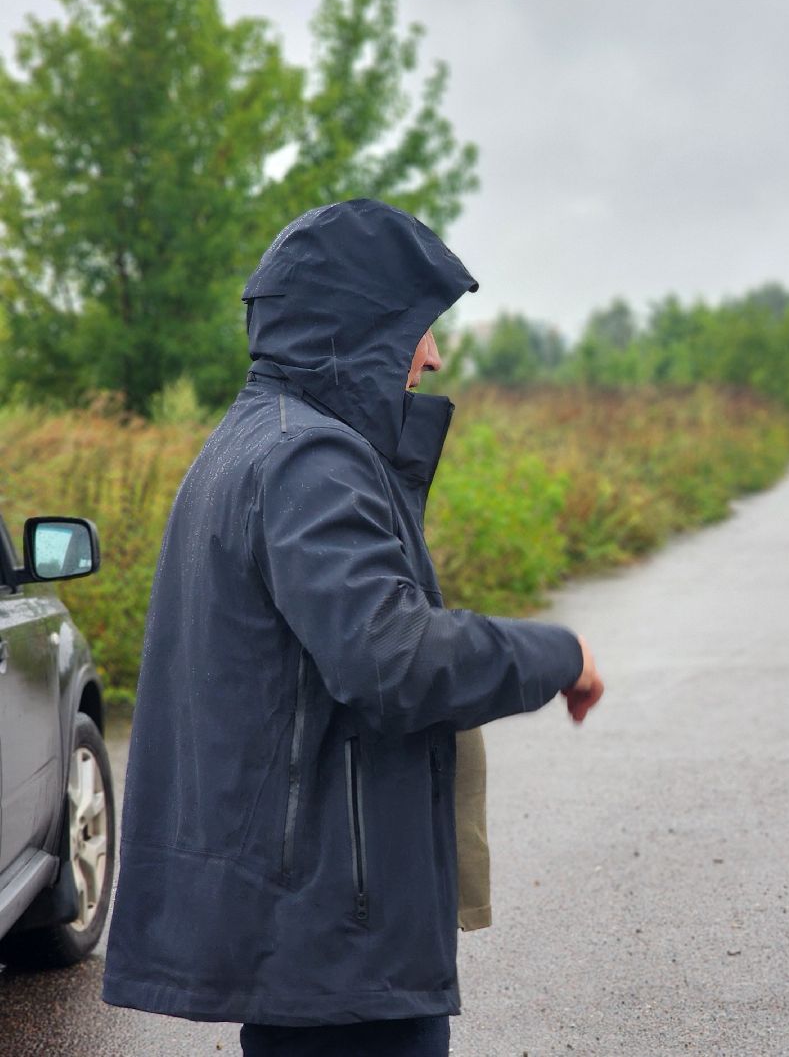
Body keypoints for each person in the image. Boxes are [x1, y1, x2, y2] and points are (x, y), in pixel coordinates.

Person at [102, 199, 603, 1056]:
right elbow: (393, 658)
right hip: (336, 940)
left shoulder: (248, 444)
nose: (433, 354)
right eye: (418, 329)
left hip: (307, 935)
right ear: (354, 330)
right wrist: (558, 652)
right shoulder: (310, 461)